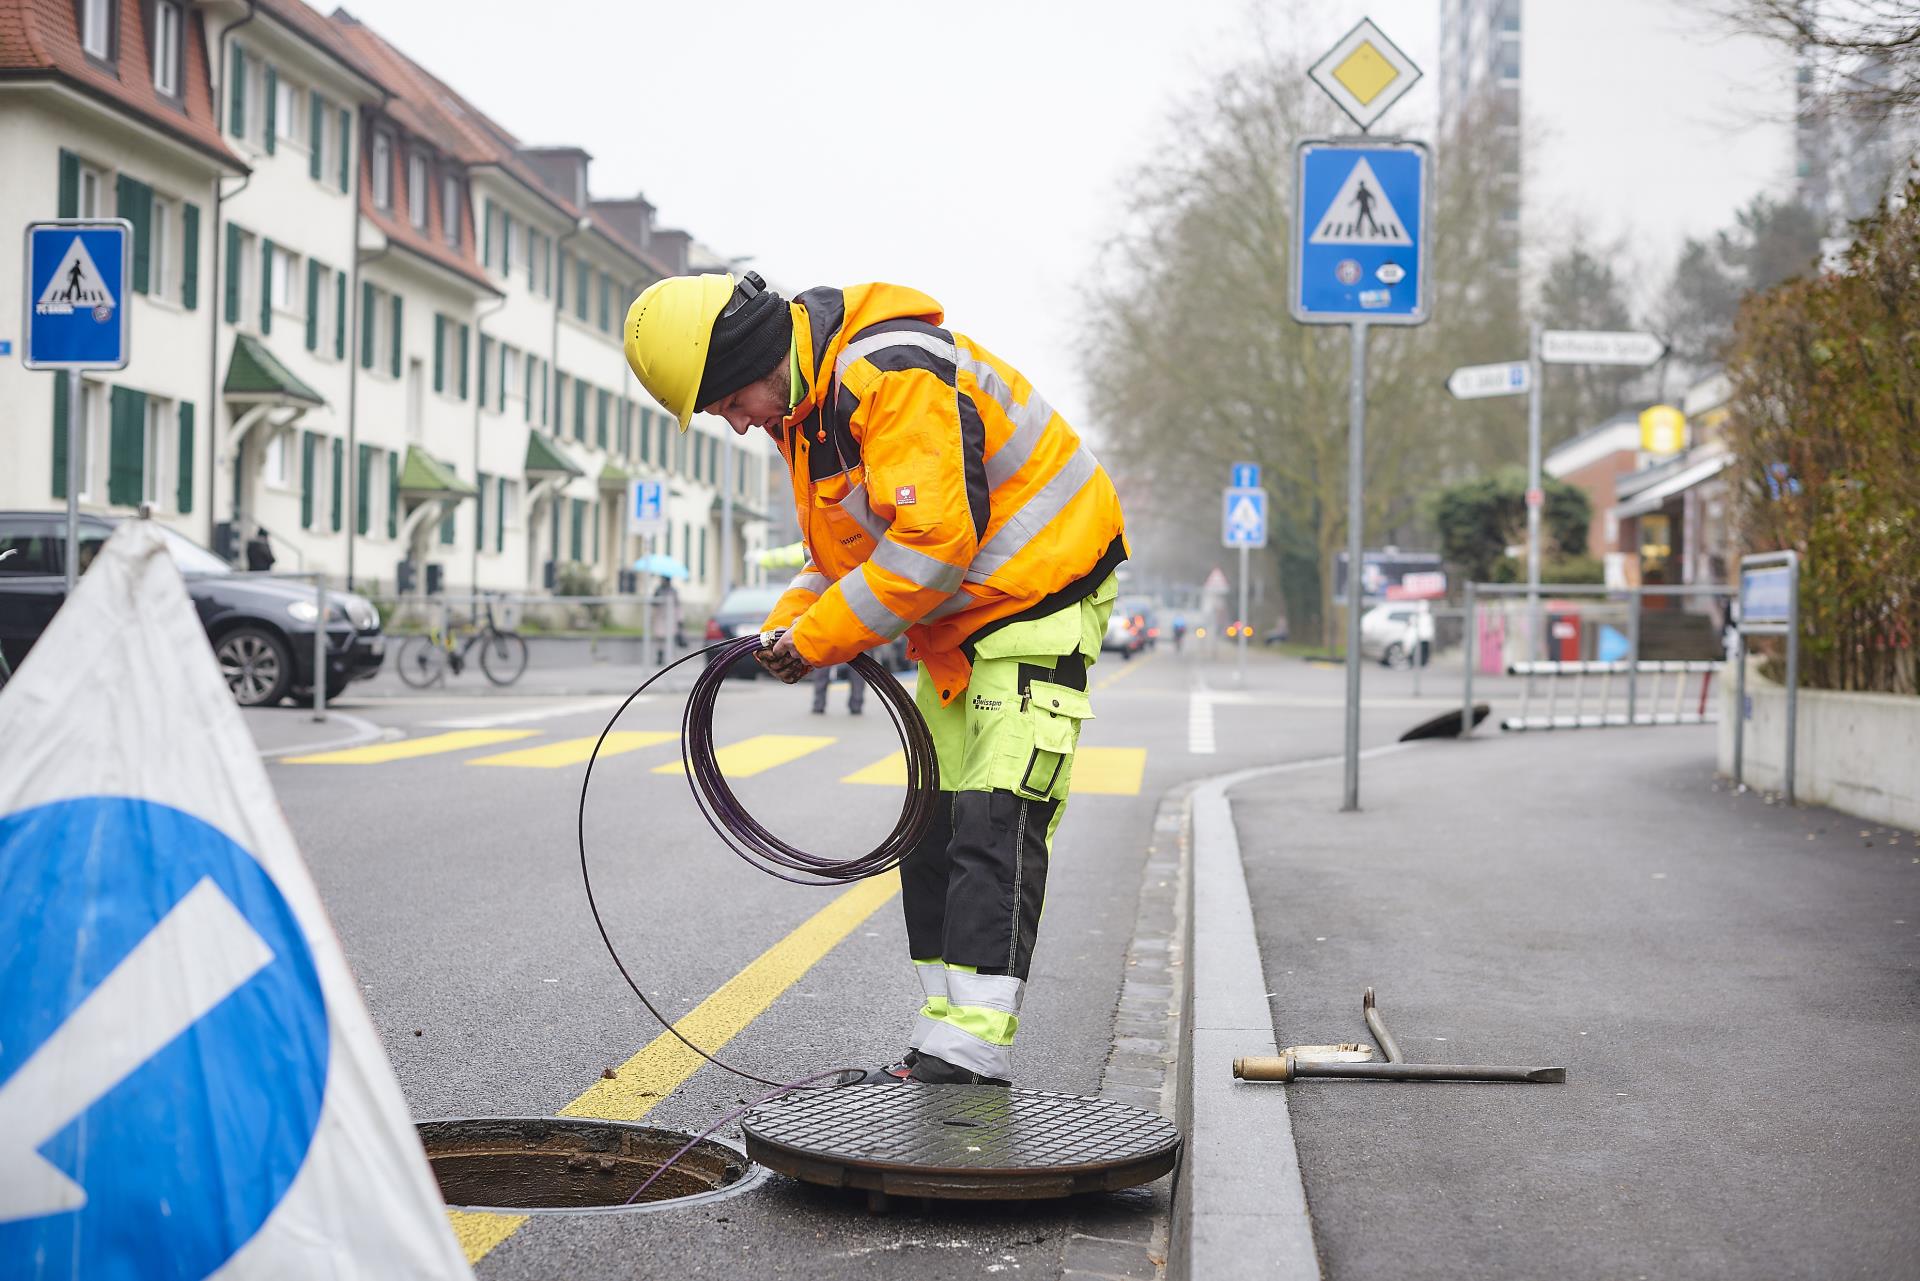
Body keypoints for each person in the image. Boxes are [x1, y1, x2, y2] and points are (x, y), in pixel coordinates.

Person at [624, 273, 1127, 1087]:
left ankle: (970, 1053)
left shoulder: (889, 371)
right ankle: (944, 1036)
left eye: (724, 403)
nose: (736, 423)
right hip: (961, 626)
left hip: (1041, 596)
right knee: (928, 825)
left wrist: (817, 640)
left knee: (997, 818)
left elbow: (930, 548)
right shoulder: (808, 414)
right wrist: (790, 624)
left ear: (751, 357)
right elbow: (850, 560)